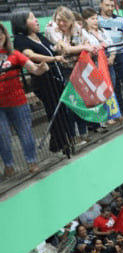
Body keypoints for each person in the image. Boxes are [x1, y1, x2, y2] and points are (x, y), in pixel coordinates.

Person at [10, 9, 74, 154]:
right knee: (55, 111)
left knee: (63, 111)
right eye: (31, 18)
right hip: (44, 82)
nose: (36, 20)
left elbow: (52, 49)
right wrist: (54, 59)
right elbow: (30, 55)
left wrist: (59, 49)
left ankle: (58, 142)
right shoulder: (20, 40)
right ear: (22, 23)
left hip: (56, 78)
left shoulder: (39, 36)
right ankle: (64, 143)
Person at [0, 22, 48, 176]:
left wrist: (41, 68)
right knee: (3, 137)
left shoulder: (14, 54)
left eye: (1, 32)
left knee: (25, 133)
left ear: (5, 35)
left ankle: (32, 161)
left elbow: (34, 69)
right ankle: (8, 165)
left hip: (17, 101)